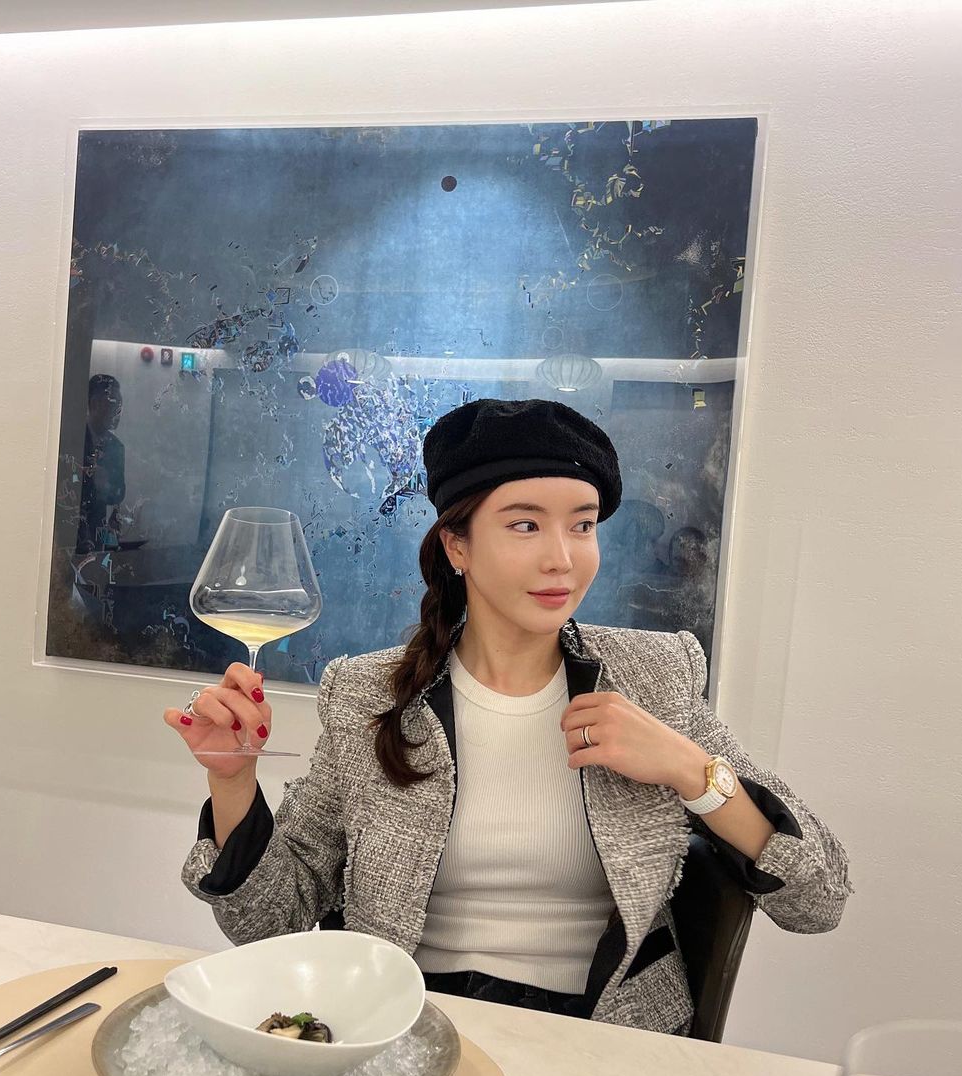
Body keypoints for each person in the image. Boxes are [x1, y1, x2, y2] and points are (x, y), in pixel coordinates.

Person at [165, 398, 851, 1035]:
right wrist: (231, 778)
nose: (563, 558)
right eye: (525, 524)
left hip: (603, 1040)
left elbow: (819, 898)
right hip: (405, 1029)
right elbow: (266, 918)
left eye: (582, 524)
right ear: (457, 545)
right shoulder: (370, 694)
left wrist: (689, 770)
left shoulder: (654, 677)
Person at [76, 374, 126, 553]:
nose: (118, 413)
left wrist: (106, 486)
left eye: (120, 406)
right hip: (70, 530)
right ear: (95, 403)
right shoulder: (73, 440)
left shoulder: (116, 447)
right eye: (114, 405)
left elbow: (120, 493)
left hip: (97, 530)